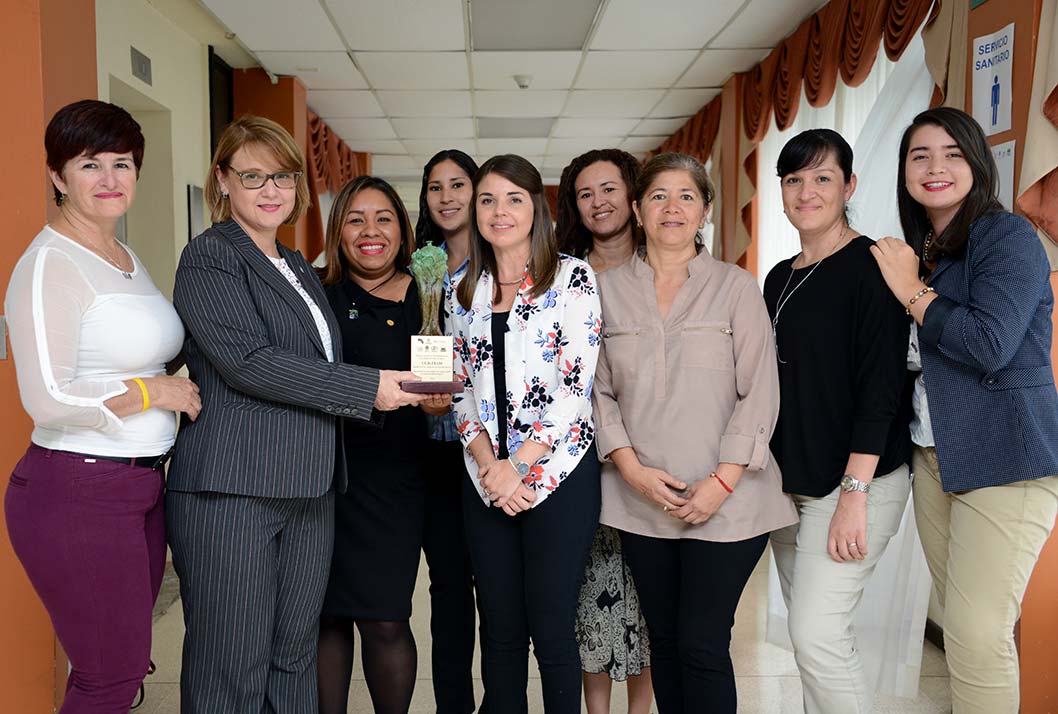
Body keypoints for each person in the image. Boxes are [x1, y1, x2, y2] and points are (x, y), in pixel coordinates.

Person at [167, 115, 422, 713]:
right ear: (222, 181)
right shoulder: (210, 257)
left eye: (282, 175)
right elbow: (249, 362)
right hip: (233, 491)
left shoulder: (297, 265)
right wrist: (370, 389)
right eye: (252, 176)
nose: (271, 190)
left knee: (294, 657)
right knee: (232, 663)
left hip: (309, 489)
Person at [4, 99, 201, 713]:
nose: (111, 179)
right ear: (59, 176)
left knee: (115, 666)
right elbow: (49, 397)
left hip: (139, 487)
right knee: (110, 675)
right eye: (91, 164)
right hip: (76, 490)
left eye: (123, 163)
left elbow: (131, 355)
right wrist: (156, 392)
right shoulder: (48, 266)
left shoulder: (123, 257)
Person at [592, 152, 796, 714]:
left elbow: (762, 390)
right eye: (658, 196)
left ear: (705, 209)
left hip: (730, 500)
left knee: (703, 643)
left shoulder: (735, 287)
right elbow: (595, 390)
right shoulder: (604, 292)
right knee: (666, 641)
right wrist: (630, 468)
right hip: (642, 501)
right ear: (636, 209)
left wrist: (722, 482)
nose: (672, 208)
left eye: (687, 196)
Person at [871, 107, 1058, 714]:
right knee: (965, 629)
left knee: (977, 639)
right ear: (903, 172)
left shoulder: (1006, 237)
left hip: (1007, 457)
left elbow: (989, 344)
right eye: (920, 155)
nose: (935, 167)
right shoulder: (928, 248)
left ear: (977, 163)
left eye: (952, 153)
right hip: (937, 456)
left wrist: (912, 293)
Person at [763, 129, 911, 714]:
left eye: (823, 178)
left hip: (853, 480)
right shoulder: (780, 275)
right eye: (794, 179)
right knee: (814, 642)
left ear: (849, 186)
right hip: (791, 479)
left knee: (817, 637)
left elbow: (883, 387)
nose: (807, 191)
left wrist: (855, 493)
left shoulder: (874, 266)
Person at [451, 154, 602, 713]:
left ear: (536, 208)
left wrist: (519, 465)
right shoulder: (462, 290)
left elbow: (573, 385)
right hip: (484, 476)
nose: (499, 211)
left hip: (558, 475)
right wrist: (491, 465)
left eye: (514, 198)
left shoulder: (573, 277)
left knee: (552, 624)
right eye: (487, 199)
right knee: (501, 626)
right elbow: (460, 388)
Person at [316, 175, 445, 714]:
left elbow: (440, 383)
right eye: (356, 219)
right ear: (338, 230)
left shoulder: (429, 296)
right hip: (325, 474)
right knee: (325, 616)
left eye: (384, 218)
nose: (371, 231)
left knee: (387, 618)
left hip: (397, 477)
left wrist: (440, 401)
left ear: (403, 228)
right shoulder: (318, 297)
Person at [556, 148, 652, 714]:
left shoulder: (666, 263)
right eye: (586, 193)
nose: (599, 202)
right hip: (580, 459)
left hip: (657, 456)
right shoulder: (562, 273)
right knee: (591, 595)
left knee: (647, 599)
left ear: (632, 194)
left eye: (609, 189)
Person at [415, 148, 490, 714]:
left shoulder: (506, 265)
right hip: (438, 452)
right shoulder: (420, 264)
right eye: (435, 187)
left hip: (495, 455)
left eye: (458, 184)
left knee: (497, 594)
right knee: (448, 597)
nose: (447, 197)